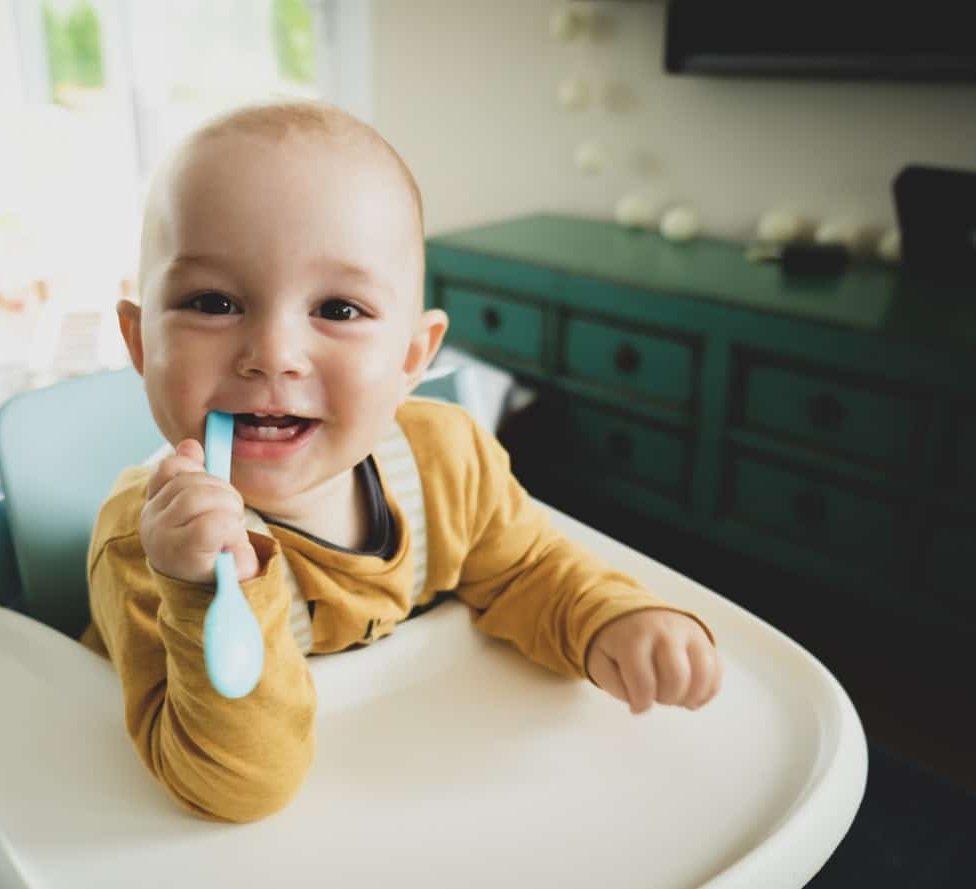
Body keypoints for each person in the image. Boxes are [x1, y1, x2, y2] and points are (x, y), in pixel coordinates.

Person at [80, 100, 722, 824]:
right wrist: (202, 588)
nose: (273, 355)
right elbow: (234, 787)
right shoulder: (145, 547)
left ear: (414, 356)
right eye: (213, 301)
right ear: (139, 343)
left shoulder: (444, 461)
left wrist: (610, 618)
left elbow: (525, 570)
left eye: (339, 308)